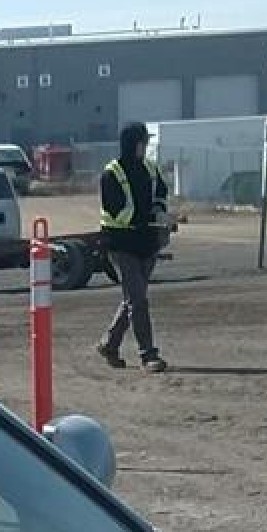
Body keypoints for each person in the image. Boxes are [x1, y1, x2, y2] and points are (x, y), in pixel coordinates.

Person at [95, 123, 169, 372]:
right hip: (120, 244)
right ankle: (148, 355)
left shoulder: (150, 168)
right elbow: (115, 210)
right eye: (142, 142)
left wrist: (160, 213)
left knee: (132, 300)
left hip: (147, 244)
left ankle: (109, 344)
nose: (145, 146)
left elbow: (160, 193)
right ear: (132, 143)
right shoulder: (111, 173)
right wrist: (146, 217)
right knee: (138, 299)